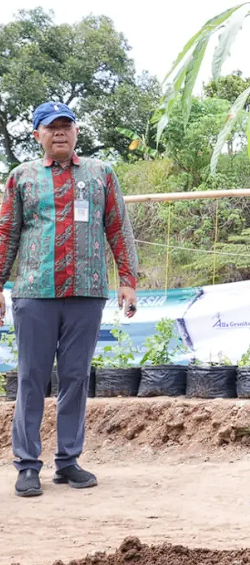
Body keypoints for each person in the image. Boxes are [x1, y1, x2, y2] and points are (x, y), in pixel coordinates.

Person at [0, 102, 139, 498]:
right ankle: (28, 465)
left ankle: (68, 461)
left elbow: (118, 227)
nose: (59, 132)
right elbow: (7, 232)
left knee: (76, 378)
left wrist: (127, 280)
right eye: (51, 127)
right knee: (31, 378)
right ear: (37, 135)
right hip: (34, 293)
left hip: (86, 291)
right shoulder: (22, 176)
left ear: (77, 132)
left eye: (66, 125)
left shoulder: (101, 173)